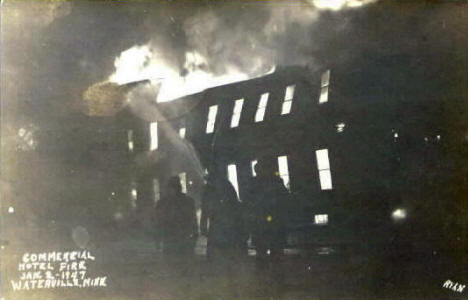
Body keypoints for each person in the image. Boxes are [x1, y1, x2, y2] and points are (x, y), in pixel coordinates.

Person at [245, 160, 289, 268]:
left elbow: (248, 202)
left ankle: (263, 277)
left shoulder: (253, 183)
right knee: (275, 252)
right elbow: (284, 198)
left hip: (260, 221)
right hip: (274, 220)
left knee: (262, 252)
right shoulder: (276, 181)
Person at [200, 174, 247, 260]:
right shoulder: (227, 186)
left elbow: (205, 209)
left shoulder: (209, 189)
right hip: (231, 226)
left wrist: (203, 226)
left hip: (217, 226)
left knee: (217, 256)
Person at [155, 176, 198, 259]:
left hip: (171, 240)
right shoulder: (188, 201)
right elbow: (193, 221)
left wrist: (157, 239)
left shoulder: (162, 203)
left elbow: (158, 222)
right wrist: (194, 236)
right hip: (183, 239)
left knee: (172, 265)